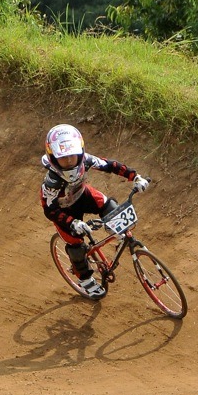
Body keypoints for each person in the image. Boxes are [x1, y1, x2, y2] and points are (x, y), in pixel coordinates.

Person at [40, 124, 150, 298]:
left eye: (72, 157)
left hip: (84, 196)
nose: (69, 162)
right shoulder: (51, 183)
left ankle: (117, 234)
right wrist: (72, 222)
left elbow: (110, 165)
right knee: (76, 246)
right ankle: (84, 279)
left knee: (113, 210)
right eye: (63, 158)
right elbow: (49, 210)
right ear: (53, 158)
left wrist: (135, 177)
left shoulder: (87, 161)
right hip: (63, 211)